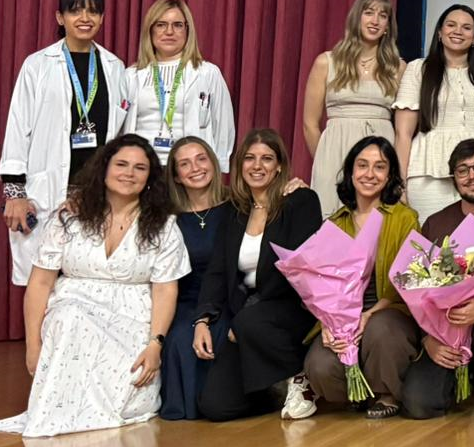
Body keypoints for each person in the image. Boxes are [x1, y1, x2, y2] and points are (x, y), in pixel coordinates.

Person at [0, 136, 186, 438]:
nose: (129, 173)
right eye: (121, 164)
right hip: (71, 311)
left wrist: (154, 345)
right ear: (104, 169)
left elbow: (165, 289)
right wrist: (33, 347)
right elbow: (40, 282)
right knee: (71, 316)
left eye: (140, 168)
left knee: (129, 401)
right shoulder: (69, 217)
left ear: (150, 177)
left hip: (132, 321)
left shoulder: (164, 226)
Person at [0, 0, 129, 286]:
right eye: (75, 11)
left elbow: (122, 132)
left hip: (96, 192)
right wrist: (15, 194)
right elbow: (18, 126)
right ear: (60, 17)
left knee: (90, 277)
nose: (85, 17)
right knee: (42, 279)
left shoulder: (115, 67)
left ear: (102, 18)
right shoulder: (37, 64)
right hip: (48, 190)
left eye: (93, 11)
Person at [193, 130, 325, 421]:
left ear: (279, 166)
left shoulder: (300, 200)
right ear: (240, 164)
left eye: (267, 159)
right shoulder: (234, 212)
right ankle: (275, 390)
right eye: (250, 158)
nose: (257, 165)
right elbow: (217, 271)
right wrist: (202, 319)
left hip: (290, 311)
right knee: (215, 406)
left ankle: (300, 377)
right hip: (247, 319)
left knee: (249, 320)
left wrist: (245, 318)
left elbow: (299, 269)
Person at [298, 137, 421, 419]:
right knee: (319, 366)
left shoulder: (404, 218)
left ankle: (387, 394)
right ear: (351, 172)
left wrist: (370, 313)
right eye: (362, 165)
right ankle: (359, 395)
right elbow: (319, 284)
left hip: (390, 309)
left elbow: (410, 281)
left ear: (389, 175)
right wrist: (328, 324)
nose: (370, 174)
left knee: (380, 330)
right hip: (341, 317)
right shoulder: (334, 222)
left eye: (380, 167)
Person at [400, 140, 474, 418]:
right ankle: (456, 378)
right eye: (462, 170)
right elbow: (415, 285)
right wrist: (428, 340)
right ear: (454, 178)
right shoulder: (436, 223)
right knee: (418, 404)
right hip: (444, 328)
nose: (471, 176)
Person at [302, 0, 404, 215]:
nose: (375, 20)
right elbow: (309, 123)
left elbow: (403, 129)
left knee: (377, 221)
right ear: (357, 18)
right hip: (334, 152)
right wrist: (325, 159)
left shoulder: (397, 68)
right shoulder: (326, 62)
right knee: (333, 222)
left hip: (380, 154)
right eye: (369, 13)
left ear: (388, 26)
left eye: (383, 15)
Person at [394, 4, 474, 221]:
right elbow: (403, 133)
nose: (458, 31)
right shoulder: (418, 69)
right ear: (440, 33)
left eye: (466, 27)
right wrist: (399, 184)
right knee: (429, 239)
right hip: (428, 175)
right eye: (451, 25)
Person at [160, 137, 233, 420]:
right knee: (180, 338)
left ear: (213, 163)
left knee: (218, 333)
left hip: (226, 297)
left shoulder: (238, 205)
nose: (196, 168)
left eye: (201, 159)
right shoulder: (167, 217)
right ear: (176, 176)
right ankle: (187, 409)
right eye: (185, 164)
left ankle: (219, 401)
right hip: (184, 299)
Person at [122, 0, 237, 172]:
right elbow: (118, 128)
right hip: (142, 168)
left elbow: (223, 125)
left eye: (177, 25)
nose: (169, 31)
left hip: (189, 169)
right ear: (150, 30)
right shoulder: (131, 75)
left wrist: (218, 169)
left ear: (187, 30)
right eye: (161, 25)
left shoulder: (207, 73)